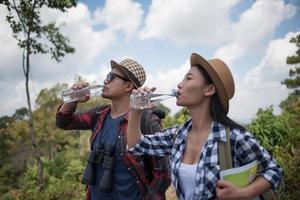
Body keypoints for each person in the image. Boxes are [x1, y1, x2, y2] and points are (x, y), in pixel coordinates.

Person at [127, 53, 283, 200]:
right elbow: (137, 145)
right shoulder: (179, 134)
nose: (179, 84)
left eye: (188, 78)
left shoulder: (233, 136)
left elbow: (274, 170)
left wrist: (243, 193)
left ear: (210, 89)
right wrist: (135, 111)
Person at [56, 58, 171, 200]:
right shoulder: (99, 115)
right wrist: (73, 99)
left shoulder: (146, 120)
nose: (105, 81)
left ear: (128, 86)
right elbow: (63, 122)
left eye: (111, 77)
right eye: (106, 77)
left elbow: (163, 174)